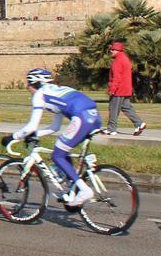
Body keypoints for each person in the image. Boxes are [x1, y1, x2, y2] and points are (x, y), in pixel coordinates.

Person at [11, 68, 102, 209]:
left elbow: (31, 126)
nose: (27, 88)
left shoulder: (39, 95)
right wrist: (35, 135)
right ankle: (73, 187)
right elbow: (55, 127)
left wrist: (12, 137)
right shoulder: (56, 90)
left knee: (57, 155)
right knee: (62, 147)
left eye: (28, 84)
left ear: (34, 83)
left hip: (81, 117)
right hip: (94, 116)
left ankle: (84, 190)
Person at [106, 41, 146, 136]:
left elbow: (117, 77)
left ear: (118, 50)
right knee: (126, 107)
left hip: (118, 90)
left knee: (113, 109)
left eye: (113, 49)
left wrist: (112, 89)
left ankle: (111, 129)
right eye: (111, 49)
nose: (111, 51)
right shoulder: (125, 59)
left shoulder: (118, 61)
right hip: (126, 89)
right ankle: (139, 124)